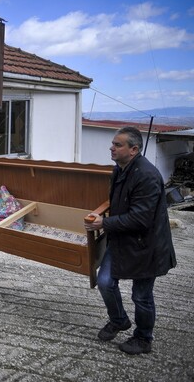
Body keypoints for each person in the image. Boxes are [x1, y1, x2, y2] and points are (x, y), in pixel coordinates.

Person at [85, 126, 176, 355]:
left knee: (141, 296)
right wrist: (102, 214)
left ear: (134, 149)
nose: (111, 148)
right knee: (105, 282)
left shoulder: (147, 176)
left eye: (118, 145)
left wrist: (103, 224)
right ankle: (119, 320)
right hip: (123, 239)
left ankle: (143, 338)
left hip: (147, 245)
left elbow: (141, 219)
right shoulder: (120, 168)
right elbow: (117, 203)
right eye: (113, 144)